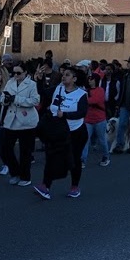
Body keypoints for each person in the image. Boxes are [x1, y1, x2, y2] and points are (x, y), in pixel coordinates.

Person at [33, 66, 87, 199]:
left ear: (74, 79)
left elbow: (82, 112)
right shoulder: (59, 88)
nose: (64, 77)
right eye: (63, 74)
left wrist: (65, 115)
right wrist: (40, 80)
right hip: (57, 130)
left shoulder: (81, 94)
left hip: (75, 131)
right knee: (51, 157)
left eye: (67, 75)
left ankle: (74, 186)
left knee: (74, 159)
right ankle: (45, 186)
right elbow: (43, 94)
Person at [1, 63, 39, 186]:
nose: (16, 75)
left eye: (19, 73)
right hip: (11, 120)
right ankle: (15, 172)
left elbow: (35, 101)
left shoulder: (32, 84)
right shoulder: (10, 83)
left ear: (25, 73)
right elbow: (3, 97)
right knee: (6, 149)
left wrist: (16, 99)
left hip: (26, 121)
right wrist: (6, 100)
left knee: (25, 152)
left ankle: (25, 176)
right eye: (14, 73)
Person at [82, 71, 111, 167]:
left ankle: (106, 156)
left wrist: (85, 98)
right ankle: (83, 160)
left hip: (99, 119)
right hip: (88, 119)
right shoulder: (86, 91)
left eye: (91, 79)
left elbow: (94, 100)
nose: (89, 81)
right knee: (85, 140)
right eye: (89, 79)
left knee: (102, 140)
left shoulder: (100, 90)